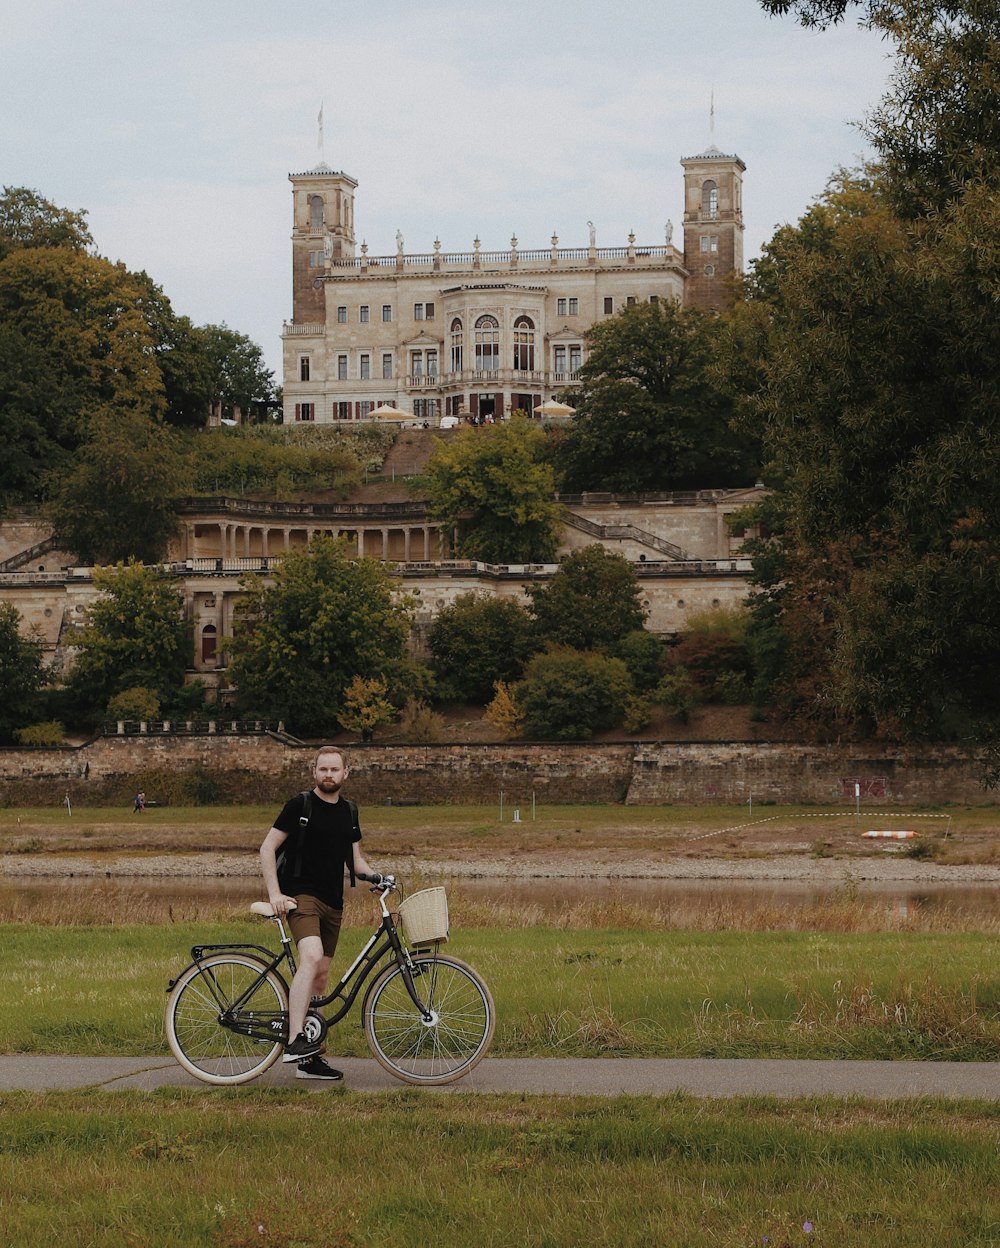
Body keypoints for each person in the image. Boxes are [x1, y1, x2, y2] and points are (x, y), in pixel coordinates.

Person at [259, 747, 380, 1082]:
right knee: (310, 957)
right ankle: (295, 1039)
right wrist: (275, 895)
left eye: (334, 769)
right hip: (301, 897)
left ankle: (309, 1061)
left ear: (346, 773)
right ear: (314, 772)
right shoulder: (300, 805)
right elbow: (267, 848)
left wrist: (377, 878)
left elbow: (355, 862)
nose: (328, 775)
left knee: (322, 978)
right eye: (323, 769)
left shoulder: (350, 812)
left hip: (333, 903)